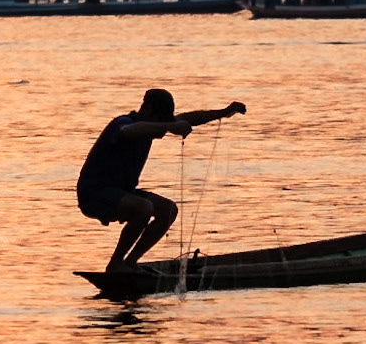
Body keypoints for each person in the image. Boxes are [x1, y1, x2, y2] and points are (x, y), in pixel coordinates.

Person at [77, 88, 246, 272]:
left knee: (168, 210)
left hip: (121, 192)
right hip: (93, 194)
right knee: (144, 208)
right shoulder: (123, 123)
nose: (165, 127)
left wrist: (223, 112)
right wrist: (168, 127)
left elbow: (190, 118)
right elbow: (128, 131)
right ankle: (116, 263)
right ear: (148, 110)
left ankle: (130, 263)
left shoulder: (151, 125)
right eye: (161, 119)